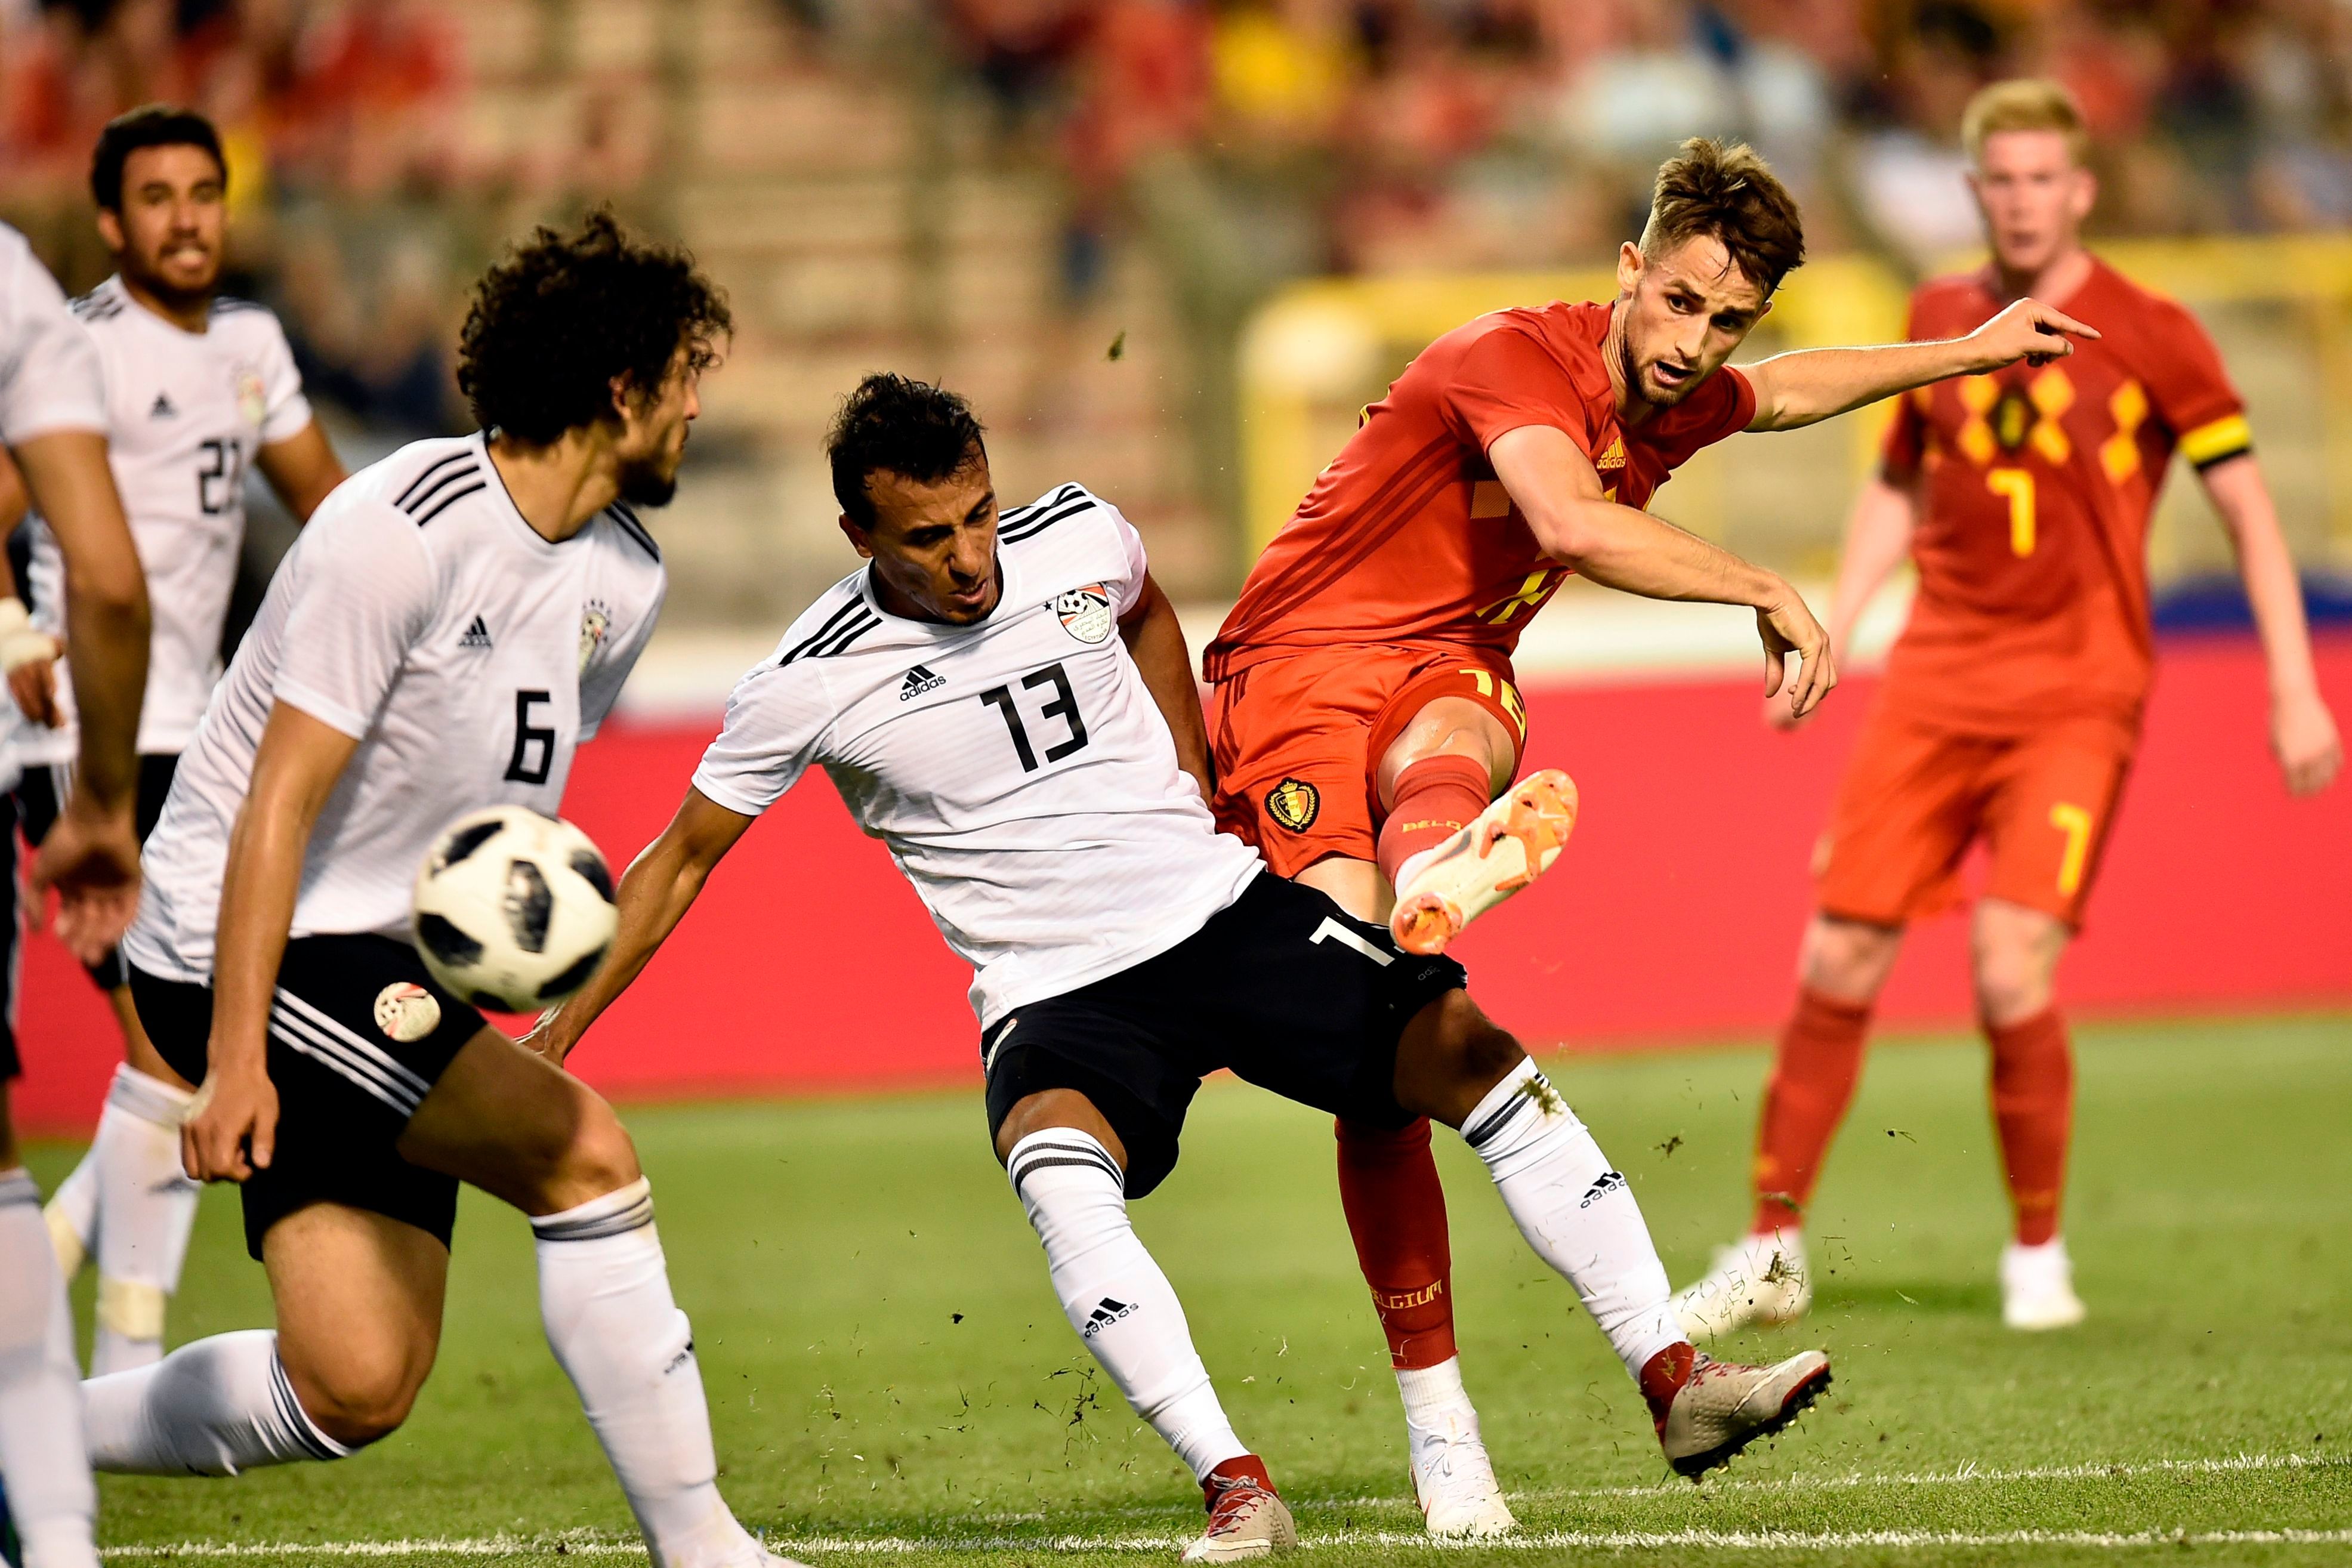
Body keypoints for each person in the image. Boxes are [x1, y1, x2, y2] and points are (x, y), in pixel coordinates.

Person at [529, 374, 1838, 1565]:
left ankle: (1675, 1382)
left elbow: (1151, 611)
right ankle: (1237, 1487)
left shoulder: (1079, 536)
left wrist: (1203, 780)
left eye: (981, 514)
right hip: (1052, 994)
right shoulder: (806, 681)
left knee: (1473, 1054)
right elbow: (679, 863)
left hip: (1216, 914)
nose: (972, 559)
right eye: (929, 539)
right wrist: (551, 1044)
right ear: (860, 538)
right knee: (1057, 1173)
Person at [1198, 136, 2097, 1533]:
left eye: (1726, 318)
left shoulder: (1671, 392)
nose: (1696, 345)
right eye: (1679, 303)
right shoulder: (1511, 355)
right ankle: (1466, 1429)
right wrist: (1767, 589)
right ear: (1629, 270)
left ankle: (1437, 863)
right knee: (1380, 1049)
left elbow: (1788, 394)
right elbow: (1568, 518)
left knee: (1461, 761)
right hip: (1300, 674)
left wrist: (1967, 352)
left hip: (1444, 667)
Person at [76, 214, 804, 1568]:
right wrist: (232, 1060)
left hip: (373, 956)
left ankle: (25, 1450)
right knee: (583, 1155)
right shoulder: (399, 530)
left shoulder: (622, 581)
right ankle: (706, 1550)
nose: (703, 402)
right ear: (619, 388)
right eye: (686, 372)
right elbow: (275, 807)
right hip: (241, 944)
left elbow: (486, 811)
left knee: (356, 1381)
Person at [1672, 81, 2343, 1339]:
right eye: (2004, 180)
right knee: (1837, 956)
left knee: (2005, 962)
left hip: (2080, 694)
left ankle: (2037, 1250)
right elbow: (1898, 491)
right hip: (1937, 681)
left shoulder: (2156, 332)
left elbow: (2250, 510)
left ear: (2080, 190)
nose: (2025, 199)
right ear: (1978, 192)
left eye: (2046, 177)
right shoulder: (1938, 318)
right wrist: (1837, 623)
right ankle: (1770, 1245)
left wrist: (2295, 683)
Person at [6, 106, 347, 1379]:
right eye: (158, 197)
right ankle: (109, 1360)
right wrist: (9, 629)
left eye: (205, 192)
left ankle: (53, 1337)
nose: (188, 218)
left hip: (198, 739)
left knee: (182, 1059)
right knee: (179, 1054)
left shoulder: (252, 343)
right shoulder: (76, 349)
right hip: (80, 745)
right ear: (111, 222)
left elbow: (328, 503)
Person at [0, 220, 155, 1568]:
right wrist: (99, 802)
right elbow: (105, 579)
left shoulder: (254, 350)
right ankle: (58, 1545)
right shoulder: (15, 286)